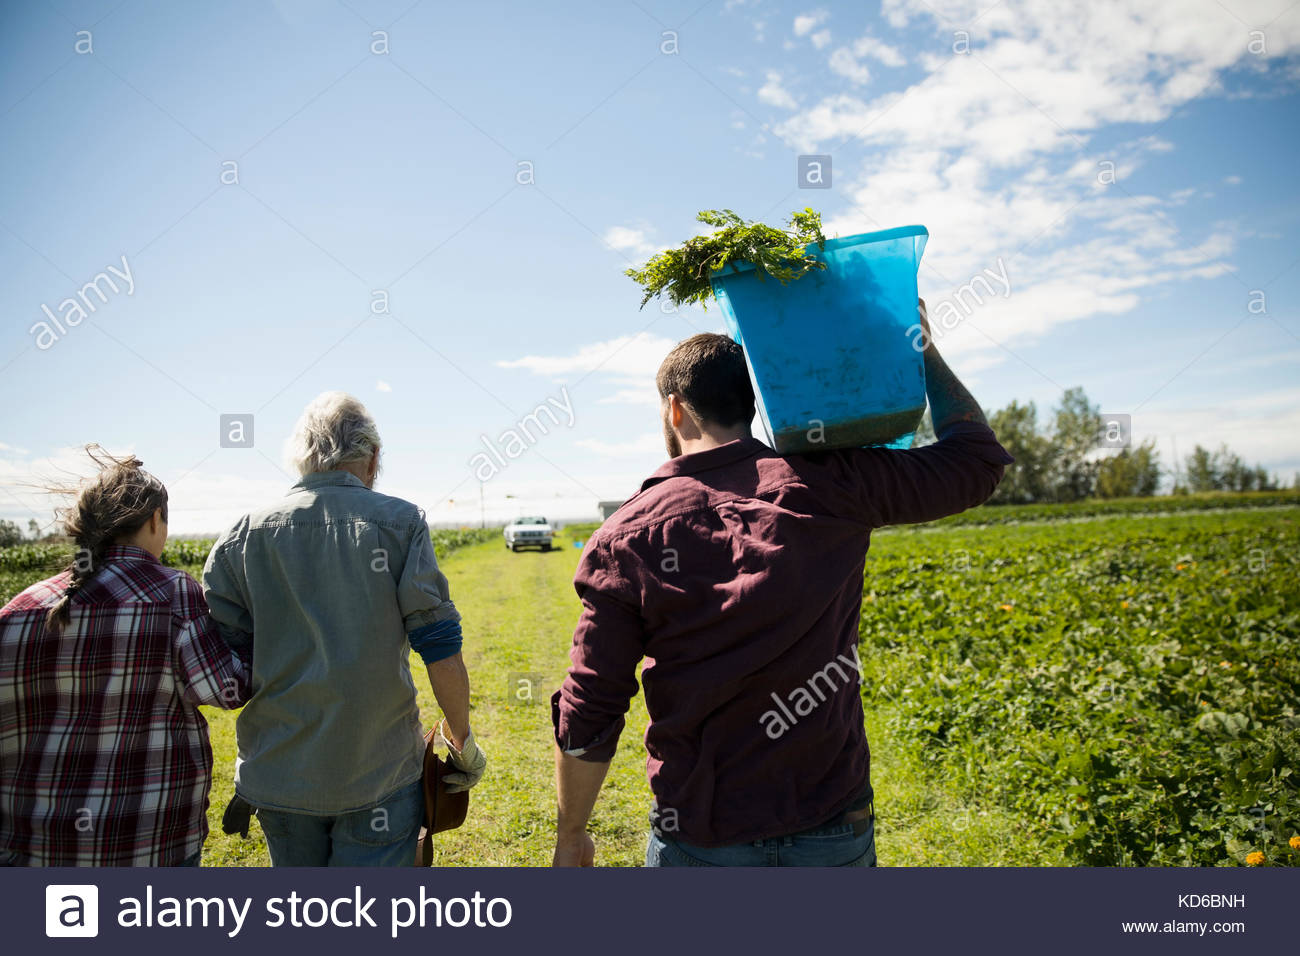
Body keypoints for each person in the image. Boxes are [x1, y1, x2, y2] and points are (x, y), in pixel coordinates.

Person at [551, 301, 1013, 867]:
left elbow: (591, 702)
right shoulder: (836, 483)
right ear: (755, 403)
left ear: (675, 411)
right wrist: (922, 347)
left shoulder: (626, 536)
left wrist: (572, 831)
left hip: (700, 830)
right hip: (831, 822)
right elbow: (976, 460)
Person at [203, 391, 486, 867]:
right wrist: (462, 739)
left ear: (302, 455)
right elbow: (438, 645)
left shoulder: (243, 534)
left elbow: (223, 657)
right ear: (373, 456)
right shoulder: (400, 522)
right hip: (379, 773)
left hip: (279, 776)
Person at [0, 447, 249, 866]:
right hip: (145, 842)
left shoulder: (16, 611)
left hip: (28, 848)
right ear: (155, 519)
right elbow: (225, 688)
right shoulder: (172, 593)